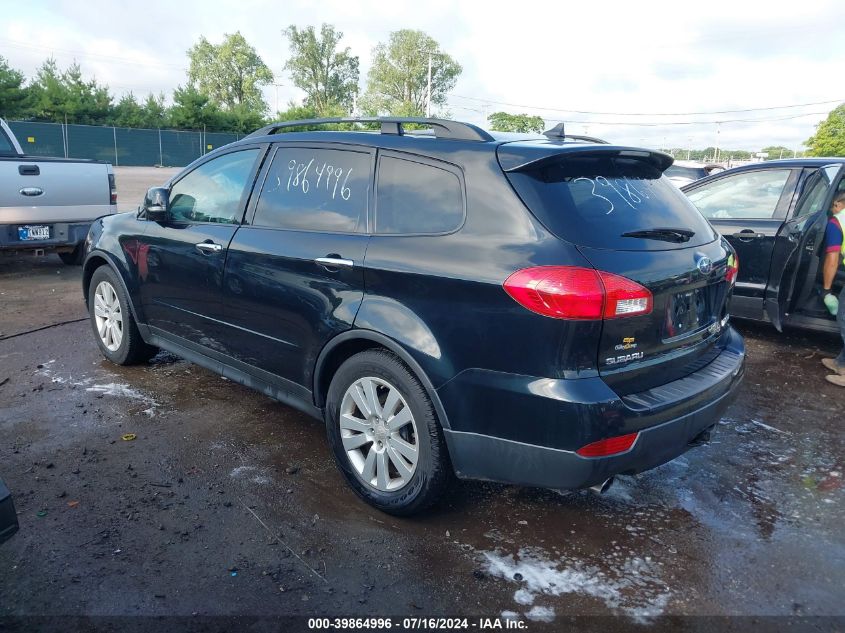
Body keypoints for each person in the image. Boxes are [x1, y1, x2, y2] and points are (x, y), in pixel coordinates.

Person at [820, 191, 845, 386]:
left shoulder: (837, 222)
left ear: (838, 203)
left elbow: (832, 259)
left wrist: (827, 290)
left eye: (832, 205)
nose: (831, 209)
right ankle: (841, 363)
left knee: (844, 317)